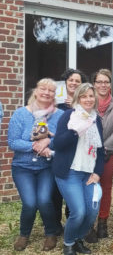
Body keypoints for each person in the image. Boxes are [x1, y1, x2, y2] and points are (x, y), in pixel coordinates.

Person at [8, 78, 64, 251]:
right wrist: (34, 145)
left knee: (44, 200)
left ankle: (51, 233)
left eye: (51, 90)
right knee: (30, 203)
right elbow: (13, 142)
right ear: (36, 91)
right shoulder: (20, 114)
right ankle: (24, 234)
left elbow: (61, 140)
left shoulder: (59, 115)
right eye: (43, 88)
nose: (46, 93)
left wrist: (49, 141)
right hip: (22, 167)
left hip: (46, 167)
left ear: (55, 95)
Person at [52, 83, 105, 255]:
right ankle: (68, 244)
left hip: (88, 173)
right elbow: (57, 143)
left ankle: (78, 239)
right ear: (77, 98)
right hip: (70, 172)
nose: (88, 99)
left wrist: (97, 173)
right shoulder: (69, 116)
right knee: (79, 211)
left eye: (91, 96)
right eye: (84, 96)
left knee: (92, 211)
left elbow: (100, 150)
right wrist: (75, 131)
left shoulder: (96, 119)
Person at [84, 69, 113, 243]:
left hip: (109, 153)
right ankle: (89, 224)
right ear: (94, 84)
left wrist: (104, 148)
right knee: (89, 187)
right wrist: (93, 149)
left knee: (106, 187)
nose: (103, 85)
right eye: (99, 81)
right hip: (87, 154)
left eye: (106, 82)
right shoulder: (87, 102)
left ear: (110, 84)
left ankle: (103, 222)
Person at [53, 68, 88, 228]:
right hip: (55, 149)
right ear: (65, 82)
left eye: (77, 81)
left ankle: (71, 222)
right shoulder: (55, 99)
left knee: (73, 194)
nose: (73, 83)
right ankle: (54, 226)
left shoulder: (82, 102)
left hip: (76, 153)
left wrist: (74, 104)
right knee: (55, 192)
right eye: (71, 80)